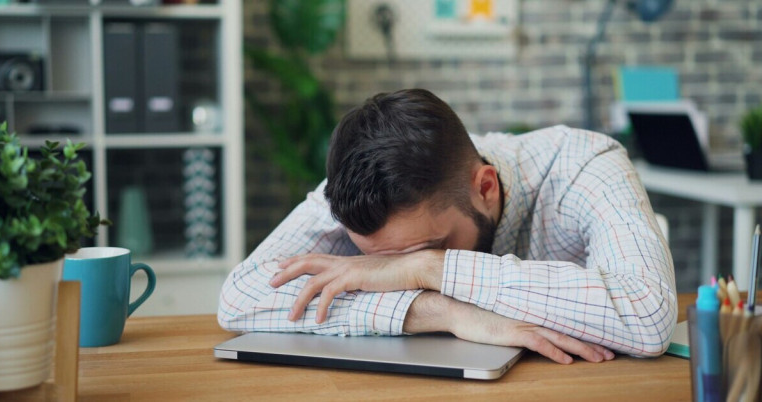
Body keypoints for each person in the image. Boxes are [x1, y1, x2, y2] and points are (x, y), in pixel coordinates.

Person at [219, 88, 676, 364]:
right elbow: (239, 298)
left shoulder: (585, 164)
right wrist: (442, 312)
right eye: (380, 260)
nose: (390, 271)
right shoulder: (356, 189)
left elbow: (648, 314)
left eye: (423, 248)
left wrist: (429, 269)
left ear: (486, 187)